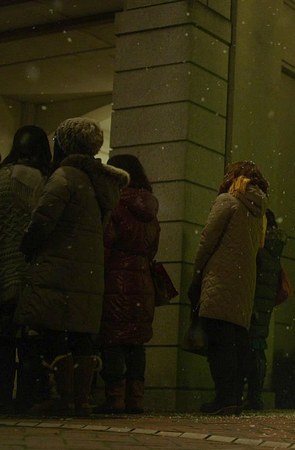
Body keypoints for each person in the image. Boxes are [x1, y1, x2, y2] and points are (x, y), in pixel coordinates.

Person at [15, 117, 129, 416]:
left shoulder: (65, 176)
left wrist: (27, 244)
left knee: (53, 332)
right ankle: (81, 400)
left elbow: (43, 219)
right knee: (81, 336)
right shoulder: (99, 181)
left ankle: (63, 397)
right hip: (88, 269)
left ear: (65, 144)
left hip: (60, 266)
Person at [189, 161, 268, 415]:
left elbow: (207, 239)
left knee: (218, 341)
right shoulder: (259, 212)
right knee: (236, 341)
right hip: (244, 283)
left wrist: (197, 270)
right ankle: (233, 397)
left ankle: (223, 398)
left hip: (220, 279)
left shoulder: (228, 201)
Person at [94, 154, 161, 415]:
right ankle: (136, 398)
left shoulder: (116, 205)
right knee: (136, 341)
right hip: (143, 283)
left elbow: (106, 244)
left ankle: (115, 398)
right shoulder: (150, 211)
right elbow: (152, 249)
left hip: (116, 280)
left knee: (113, 339)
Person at [0, 125, 52, 413]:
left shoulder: (1, 178)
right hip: (31, 270)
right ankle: (27, 398)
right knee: (31, 340)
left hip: (3, 268)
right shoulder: (44, 181)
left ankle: (3, 397)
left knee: (3, 340)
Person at [242, 208, 287, 411]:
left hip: (253, 303)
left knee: (250, 348)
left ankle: (252, 395)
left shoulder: (260, 249)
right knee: (257, 347)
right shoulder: (273, 248)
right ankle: (255, 395)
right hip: (264, 304)